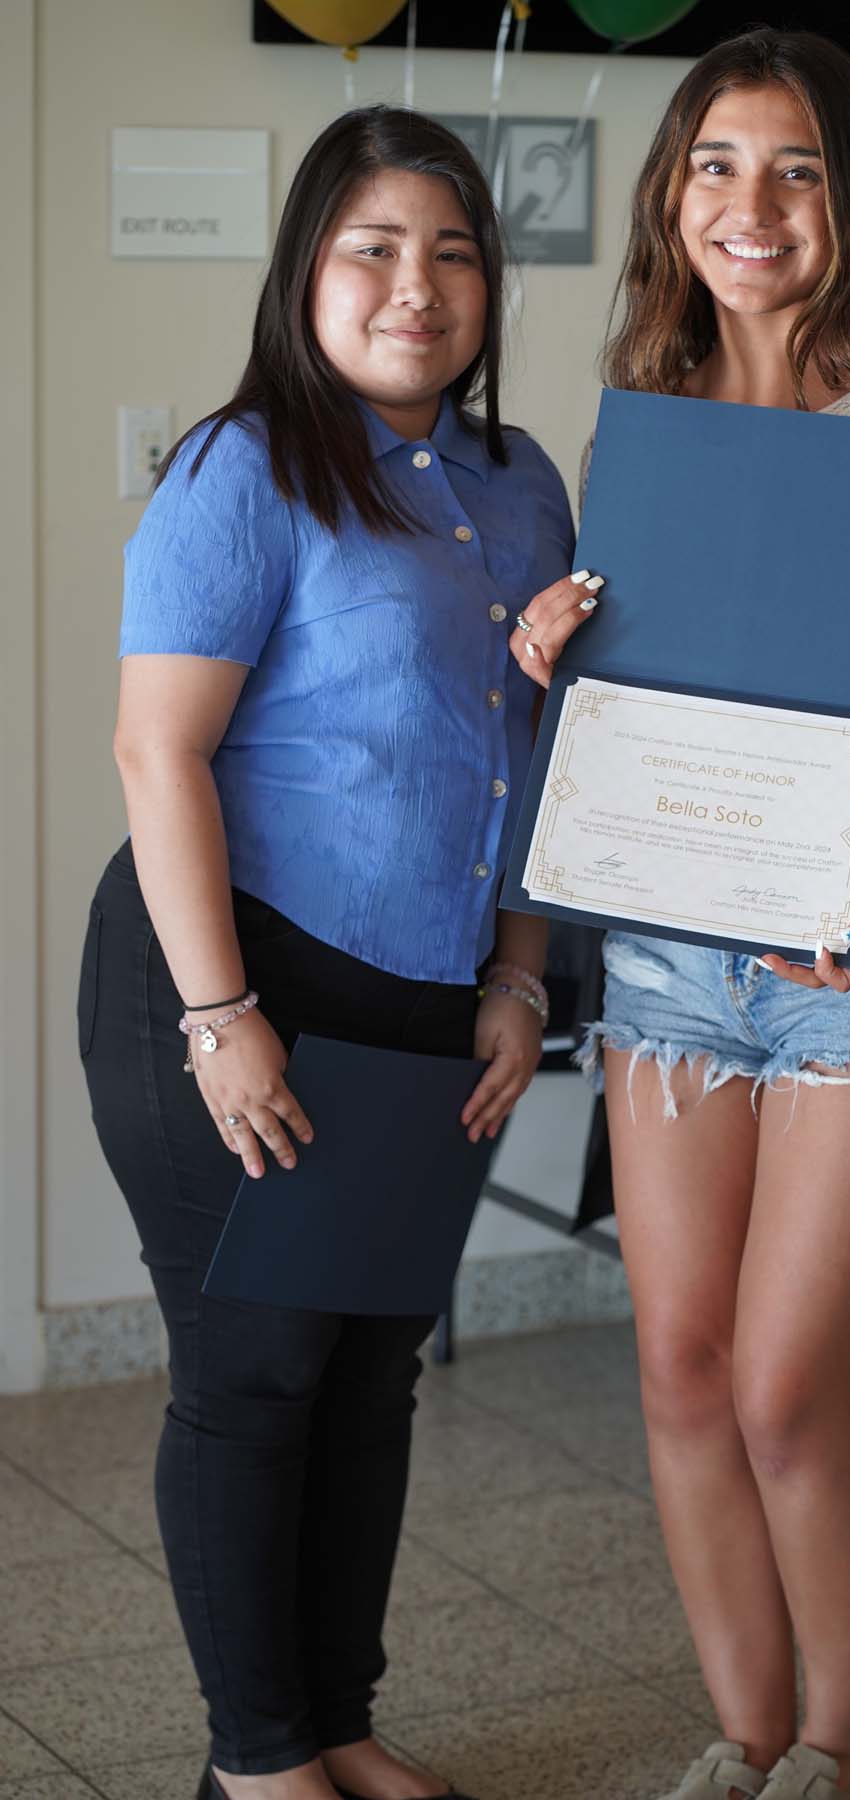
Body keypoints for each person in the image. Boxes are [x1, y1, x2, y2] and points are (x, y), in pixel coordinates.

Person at [511, 29, 850, 1800]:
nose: (756, 205)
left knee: (782, 1389)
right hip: (671, 959)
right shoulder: (645, 425)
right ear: (677, 197)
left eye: (800, 167)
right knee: (676, 1372)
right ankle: (742, 1747)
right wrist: (550, 664)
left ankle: (847, 1757)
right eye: (721, 166)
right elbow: (640, 715)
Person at [77, 106, 575, 1800]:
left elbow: (538, 750)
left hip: (433, 999)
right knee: (257, 1378)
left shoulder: (523, 486)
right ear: (306, 268)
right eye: (373, 246)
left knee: (369, 1385)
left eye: (452, 252)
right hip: (231, 982)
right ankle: (258, 1760)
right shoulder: (244, 465)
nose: (416, 286)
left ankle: (339, 1725)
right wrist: (224, 1019)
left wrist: (519, 978)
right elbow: (160, 754)